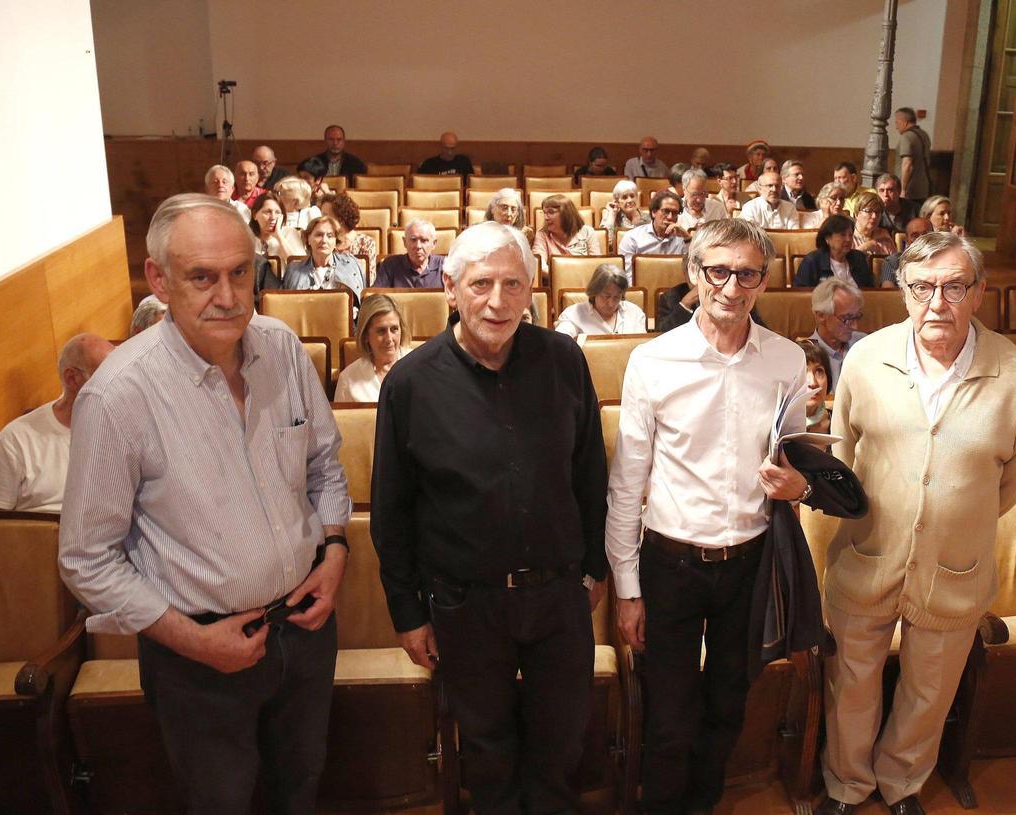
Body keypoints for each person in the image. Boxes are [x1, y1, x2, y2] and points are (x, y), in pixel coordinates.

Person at [58, 194, 351, 814]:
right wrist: (193, 641)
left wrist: (334, 551)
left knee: (301, 790)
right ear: (158, 279)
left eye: (240, 272)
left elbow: (325, 466)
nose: (228, 295)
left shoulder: (281, 348)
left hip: (304, 631)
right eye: (202, 277)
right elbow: (87, 558)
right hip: (197, 660)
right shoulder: (116, 397)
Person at [372, 221, 608, 815]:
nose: (498, 302)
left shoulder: (564, 360)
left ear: (531, 290)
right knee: (487, 757)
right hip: (464, 605)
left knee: (561, 752)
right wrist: (407, 612)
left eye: (513, 284)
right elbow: (392, 511)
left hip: (559, 598)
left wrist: (595, 569)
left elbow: (589, 475)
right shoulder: (410, 383)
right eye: (481, 284)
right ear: (450, 288)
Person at [821, 231, 1016, 815]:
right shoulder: (867, 359)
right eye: (921, 287)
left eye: (953, 287)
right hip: (868, 555)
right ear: (902, 291)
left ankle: (901, 784)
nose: (936, 302)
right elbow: (843, 457)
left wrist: (954, 515)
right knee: (852, 681)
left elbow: (1015, 478)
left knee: (930, 690)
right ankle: (846, 786)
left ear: (980, 292)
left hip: (954, 566)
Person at [606, 218, 811, 815]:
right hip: (670, 563)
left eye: (747, 274)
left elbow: (795, 457)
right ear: (694, 273)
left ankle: (700, 805)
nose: (731, 287)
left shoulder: (786, 360)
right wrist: (627, 589)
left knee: (727, 705)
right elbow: (627, 485)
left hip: (749, 562)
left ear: (764, 280)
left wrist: (797, 484)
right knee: (669, 717)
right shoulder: (653, 361)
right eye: (718, 271)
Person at [0, 334, 113, 513]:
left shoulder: (125, 425)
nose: (120, 384)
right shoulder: (15, 441)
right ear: (72, 378)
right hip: (46, 529)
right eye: (108, 375)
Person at [334, 293, 411, 403]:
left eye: (394, 329)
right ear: (365, 335)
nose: (389, 339)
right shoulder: (348, 379)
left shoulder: (419, 366)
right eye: (381, 331)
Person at [283, 216, 365, 305]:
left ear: (336, 241)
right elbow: (285, 305)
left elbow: (363, 303)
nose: (324, 240)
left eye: (330, 236)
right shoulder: (294, 270)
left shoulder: (352, 265)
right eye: (319, 235)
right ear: (308, 239)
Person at [553, 263, 646, 338]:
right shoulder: (573, 315)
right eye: (605, 296)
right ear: (594, 292)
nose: (611, 303)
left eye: (617, 297)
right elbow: (561, 344)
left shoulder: (635, 313)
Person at [809, 277, 867, 385]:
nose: (855, 327)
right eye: (846, 318)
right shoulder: (805, 356)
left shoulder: (865, 343)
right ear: (821, 315)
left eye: (856, 317)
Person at [618, 191, 689, 279]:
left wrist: (687, 238)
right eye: (666, 211)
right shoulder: (632, 238)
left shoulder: (683, 239)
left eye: (675, 213)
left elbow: (693, 273)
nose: (670, 217)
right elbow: (628, 278)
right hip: (643, 287)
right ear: (653, 212)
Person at [795, 215, 874, 288]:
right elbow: (800, 294)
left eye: (850, 235)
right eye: (842, 235)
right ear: (827, 238)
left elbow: (870, 291)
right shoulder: (812, 262)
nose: (848, 239)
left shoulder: (859, 258)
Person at [373, 219, 445, 288]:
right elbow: (376, 295)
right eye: (413, 240)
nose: (418, 246)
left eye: (424, 240)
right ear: (405, 242)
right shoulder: (390, 265)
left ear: (434, 244)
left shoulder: (445, 265)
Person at [533, 193, 600, 265]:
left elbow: (596, 263)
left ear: (566, 214)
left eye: (551, 212)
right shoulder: (542, 234)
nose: (546, 218)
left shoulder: (588, 232)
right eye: (544, 213)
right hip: (553, 273)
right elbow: (539, 264)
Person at [249, 192, 306, 268]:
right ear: (254, 214)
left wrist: (279, 236)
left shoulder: (290, 233)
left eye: (277, 212)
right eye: (267, 212)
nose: (273, 217)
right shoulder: (246, 237)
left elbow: (299, 268)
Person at [320, 192, 379, 262]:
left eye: (325, 216)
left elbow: (367, 269)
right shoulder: (322, 242)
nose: (321, 220)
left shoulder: (365, 243)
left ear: (340, 219)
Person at [881, 217, 933, 288]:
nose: (921, 239)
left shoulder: (943, 260)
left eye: (926, 235)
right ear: (907, 240)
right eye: (915, 236)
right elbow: (888, 292)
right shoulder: (893, 262)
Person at [894, 107, 932, 205]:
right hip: (924, 187)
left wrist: (903, 189)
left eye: (897, 122)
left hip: (910, 190)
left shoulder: (906, 137)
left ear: (904, 122)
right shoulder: (924, 135)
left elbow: (907, 164)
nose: (896, 127)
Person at [600, 179, 651, 245]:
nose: (629, 200)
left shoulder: (648, 217)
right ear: (617, 201)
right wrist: (612, 214)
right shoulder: (610, 216)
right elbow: (605, 243)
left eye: (632, 196)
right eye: (624, 197)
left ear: (637, 198)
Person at [798, 339, 834, 433]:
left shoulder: (838, 422)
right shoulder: (775, 426)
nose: (813, 383)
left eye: (819, 371)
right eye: (802, 372)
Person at [849, 190, 897, 255]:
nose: (874, 216)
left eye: (878, 212)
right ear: (857, 214)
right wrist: (865, 247)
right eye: (869, 211)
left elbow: (894, 260)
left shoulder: (884, 236)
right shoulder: (847, 236)